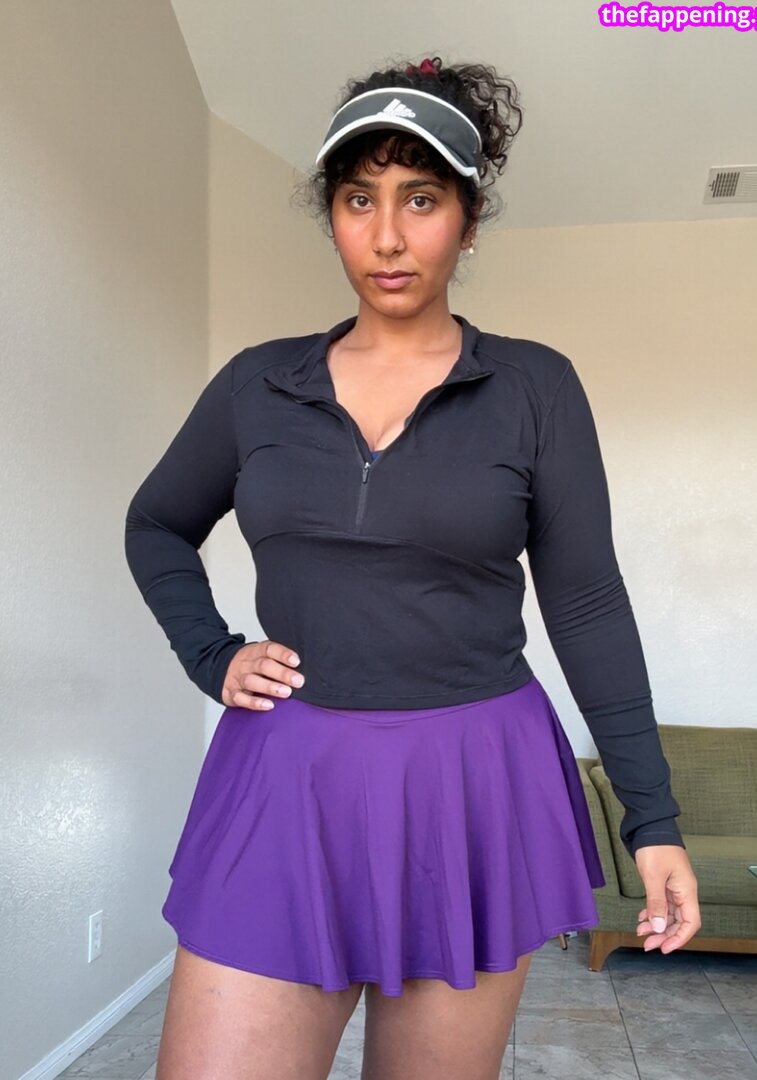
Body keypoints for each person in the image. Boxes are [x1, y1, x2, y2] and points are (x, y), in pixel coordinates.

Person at [125, 54, 700, 1080]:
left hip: (475, 779)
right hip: (287, 775)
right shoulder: (258, 384)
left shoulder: (533, 386)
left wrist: (651, 819)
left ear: (467, 221)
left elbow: (586, 604)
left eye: (421, 199)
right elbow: (157, 523)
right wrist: (211, 654)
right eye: (359, 200)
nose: (387, 236)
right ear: (333, 217)